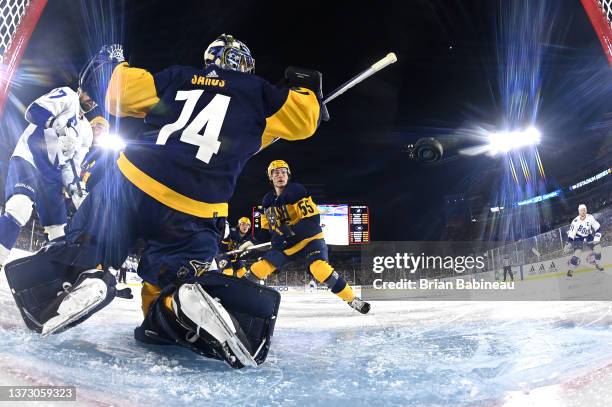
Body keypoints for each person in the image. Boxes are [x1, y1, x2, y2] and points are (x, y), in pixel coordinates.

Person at [5, 36, 324, 368]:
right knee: (167, 282)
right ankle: (175, 302)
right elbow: (305, 120)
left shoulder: (178, 77)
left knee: (91, 240)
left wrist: (113, 64)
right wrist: (305, 90)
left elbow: (117, 93)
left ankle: (91, 272)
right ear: (245, 65)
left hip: (134, 181)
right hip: (197, 207)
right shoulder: (260, 94)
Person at [244, 160, 370, 314]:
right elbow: (268, 228)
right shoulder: (268, 200)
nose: (280, 175)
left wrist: (287, 234)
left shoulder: (296, 191)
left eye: (283, 172)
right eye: (276, 172)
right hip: (288, 244)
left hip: (310, 239)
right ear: (270, 177)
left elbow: (312, 221)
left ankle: (352, 299)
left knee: (319, 269)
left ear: (288, 175)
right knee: (259, 267)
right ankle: (237, 294)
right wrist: (252, 241)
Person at [0, 86, 94, 268]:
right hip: (30, 160)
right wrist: (57, 126)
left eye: (96, 98)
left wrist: (77, 192)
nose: (92, 100)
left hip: (53, 174)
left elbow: (71, 167)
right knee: (18, 208)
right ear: (81, 89)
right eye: (90, 94)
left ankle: (49, 284)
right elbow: (33, 111)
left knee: (59, 235)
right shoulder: (68, 95)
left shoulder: (87, 131)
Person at [564, 204, 603, 277]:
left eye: (584, 210)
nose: (583, 212)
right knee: (577, 253)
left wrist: (597, 237)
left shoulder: (590, 217)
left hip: (588, 235)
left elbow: (598, 228)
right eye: (581, 210)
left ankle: (597, 264)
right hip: (578, 238)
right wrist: (568, 243)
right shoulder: (575, 222)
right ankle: (571, 270)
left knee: (598, 249)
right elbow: (571, 234)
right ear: (579, 212)